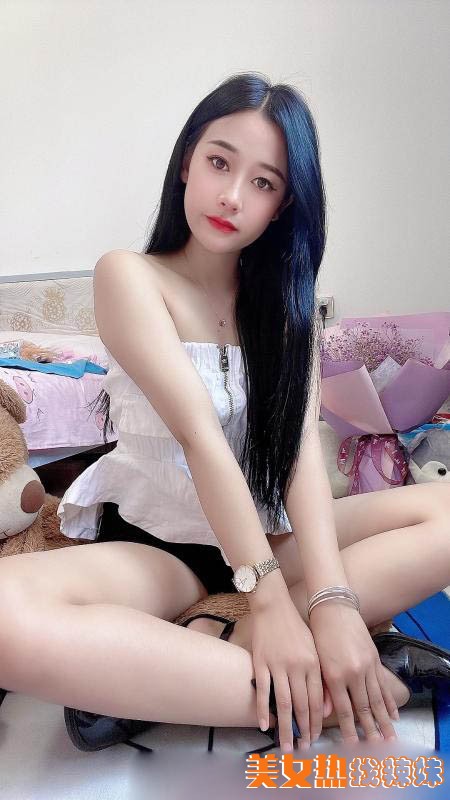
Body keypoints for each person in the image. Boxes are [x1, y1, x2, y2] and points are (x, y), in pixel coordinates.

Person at [1, 72, 449, 757]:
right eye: (219, 162)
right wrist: (269, 600)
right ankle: (311, 688)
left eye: (263, 182)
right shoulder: (130, 275)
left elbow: (299, 454)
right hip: (159, 551)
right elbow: (200, 438)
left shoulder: (288, 308)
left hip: (273, 539)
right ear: (187, 161)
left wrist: (332, 600)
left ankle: (191, 661)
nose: (233, 195)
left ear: (283, 203)